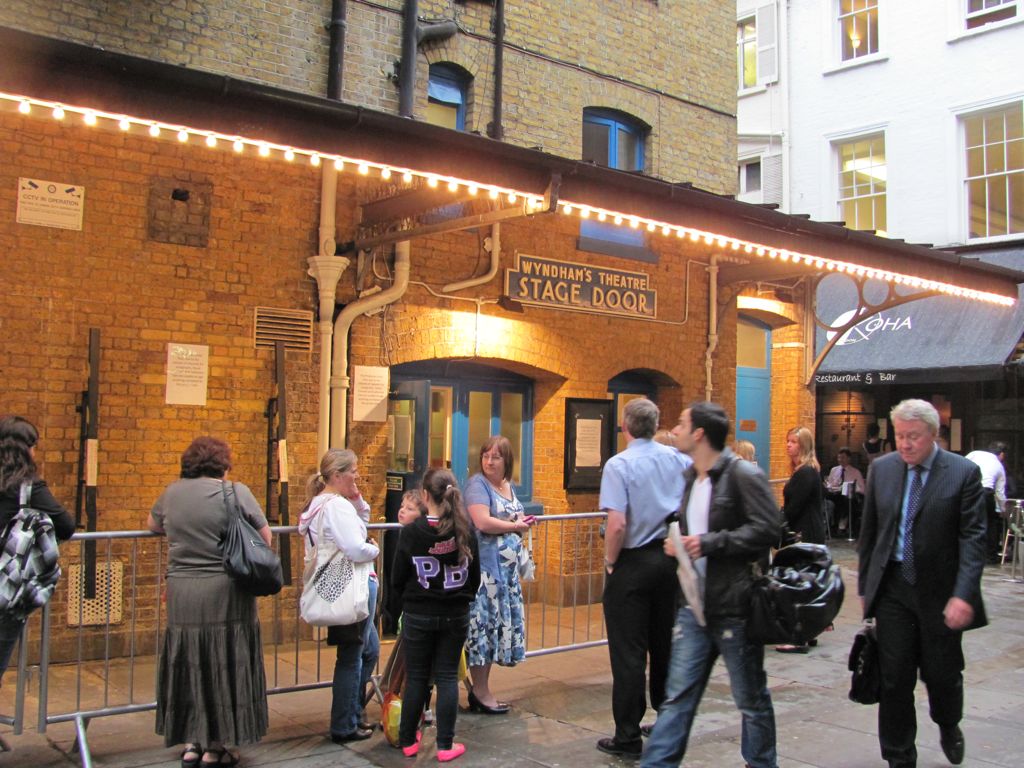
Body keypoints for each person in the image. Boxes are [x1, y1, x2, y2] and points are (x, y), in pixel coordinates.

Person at [641, 402, 779, 768]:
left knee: (750, 698)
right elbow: (694, 531)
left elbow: (768, 529)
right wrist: (682, 543)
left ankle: (762, 763)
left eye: (683, 423)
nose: (677, 428)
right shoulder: (691, 477)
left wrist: (707, 543)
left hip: (734, 607)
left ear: (699, 433)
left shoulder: (742, 475)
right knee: (677, 698)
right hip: (695, 607)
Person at [858, 399, 987, 768]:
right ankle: (899, 756)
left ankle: (949, 723)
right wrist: (867, 588)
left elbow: (973, 540)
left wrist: (964, 595)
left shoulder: (962, 473)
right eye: (899, 436)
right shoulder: (882, 470)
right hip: (894, 589)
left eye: (913, 437)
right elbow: (870, 535)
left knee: (942, 674)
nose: (905, 444)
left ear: (933, 434)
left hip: (940, 592)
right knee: (895, 679)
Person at [149, 436, 270, 767]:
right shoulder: (234, 492)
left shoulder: (171, 493)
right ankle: (216, 746)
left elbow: (153, 525)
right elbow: (265, 536)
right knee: (224, 660)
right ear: (223, 464)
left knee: (189, 661)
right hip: (225, 589)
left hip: (182, 590)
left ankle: (191, 741)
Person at [598, 398, 691, 759]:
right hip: (668, 558)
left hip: (633, 562)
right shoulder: (678, 460)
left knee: (629, 652)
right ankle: (666, 724)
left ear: (625, 426)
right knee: (664, 644)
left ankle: (627, 735)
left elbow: (617, 523)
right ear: (655, 425)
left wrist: (610, 562)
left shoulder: (619, 465)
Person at [391, 468, 481, 762]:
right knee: (446, 677)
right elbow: (475, 576)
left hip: (418, 611)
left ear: (425, 496)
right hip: (455, 612)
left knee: (416, 677)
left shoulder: (412, 532)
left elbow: (398, 576)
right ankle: (445, 745)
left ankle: (408, 741)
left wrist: (399, 605)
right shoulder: (465, 530)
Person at [298, 449, 380, 744]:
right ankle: (345, 723)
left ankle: (353, 712)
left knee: (369, 649)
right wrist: (375, 548)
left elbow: (361, 518)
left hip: (339, 585)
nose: (357, 476)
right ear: (336, 475)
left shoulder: (318, 505)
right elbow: (356, 547)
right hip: (352, 587)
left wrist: (357, 497)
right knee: (352, 656)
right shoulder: (336, 507)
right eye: (353, 471)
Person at [463, 435, 536, 714]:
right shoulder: (477, 486)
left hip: (506, 575)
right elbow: (482, 522)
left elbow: (509, 519)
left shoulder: (508, 485)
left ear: (507, 461)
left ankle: (482, 689)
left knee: (494, 631)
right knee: (483, 630)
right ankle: (480, 691)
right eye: (485, 456)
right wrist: (514, 526)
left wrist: (520, 523)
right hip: (486, 573)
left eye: (495, 457)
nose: (489, 461)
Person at [0, 416, 75, 684]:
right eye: (33, 446)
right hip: (5, 592)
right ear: (24, 449)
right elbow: (66, 525)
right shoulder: (27, 487)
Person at [964, 441, 1007, 564]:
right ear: (1002, 454)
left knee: (967, 521)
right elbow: (1000, 493)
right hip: (986, 492)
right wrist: (1003, 510)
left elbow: (960, 466)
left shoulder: (975, 454)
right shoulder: (999, 466)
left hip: (969, 489)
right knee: (990, 524)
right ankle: (990, 556)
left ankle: (968, 553)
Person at [783, 427, 826, 545]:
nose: (788, 445)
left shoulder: (806, 472)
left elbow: (794, 506)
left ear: (803, 446)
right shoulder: (802, 470)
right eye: (788, 441)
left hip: (806, 533)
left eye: (793, 442)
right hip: (802, 530)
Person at [825, 447, 865, 534]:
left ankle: (843, 526)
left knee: (846, 501)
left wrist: (849, 487)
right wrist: (832, 487)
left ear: (849, 458)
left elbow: (862, 489)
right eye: (839, 458)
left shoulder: (855, 472)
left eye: (843, 457)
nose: (840, 460)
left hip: (849, 497)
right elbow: (830, 484)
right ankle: (832, 527)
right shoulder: (834, 470)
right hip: (835, 495)